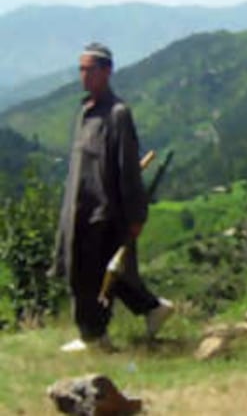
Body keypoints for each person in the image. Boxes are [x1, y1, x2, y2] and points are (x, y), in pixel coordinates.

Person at [51, 42, 173, 352]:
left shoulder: (118, 114)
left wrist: (135, 216)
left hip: (102, 210)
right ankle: (150, 310)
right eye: (81, 69)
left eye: (90, 69)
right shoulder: (84, 111)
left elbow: (127, 169)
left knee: (93, 274)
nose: (84, 76)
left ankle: (94, 336)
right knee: (97, 272)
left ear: (107, 72)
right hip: (79, 207)